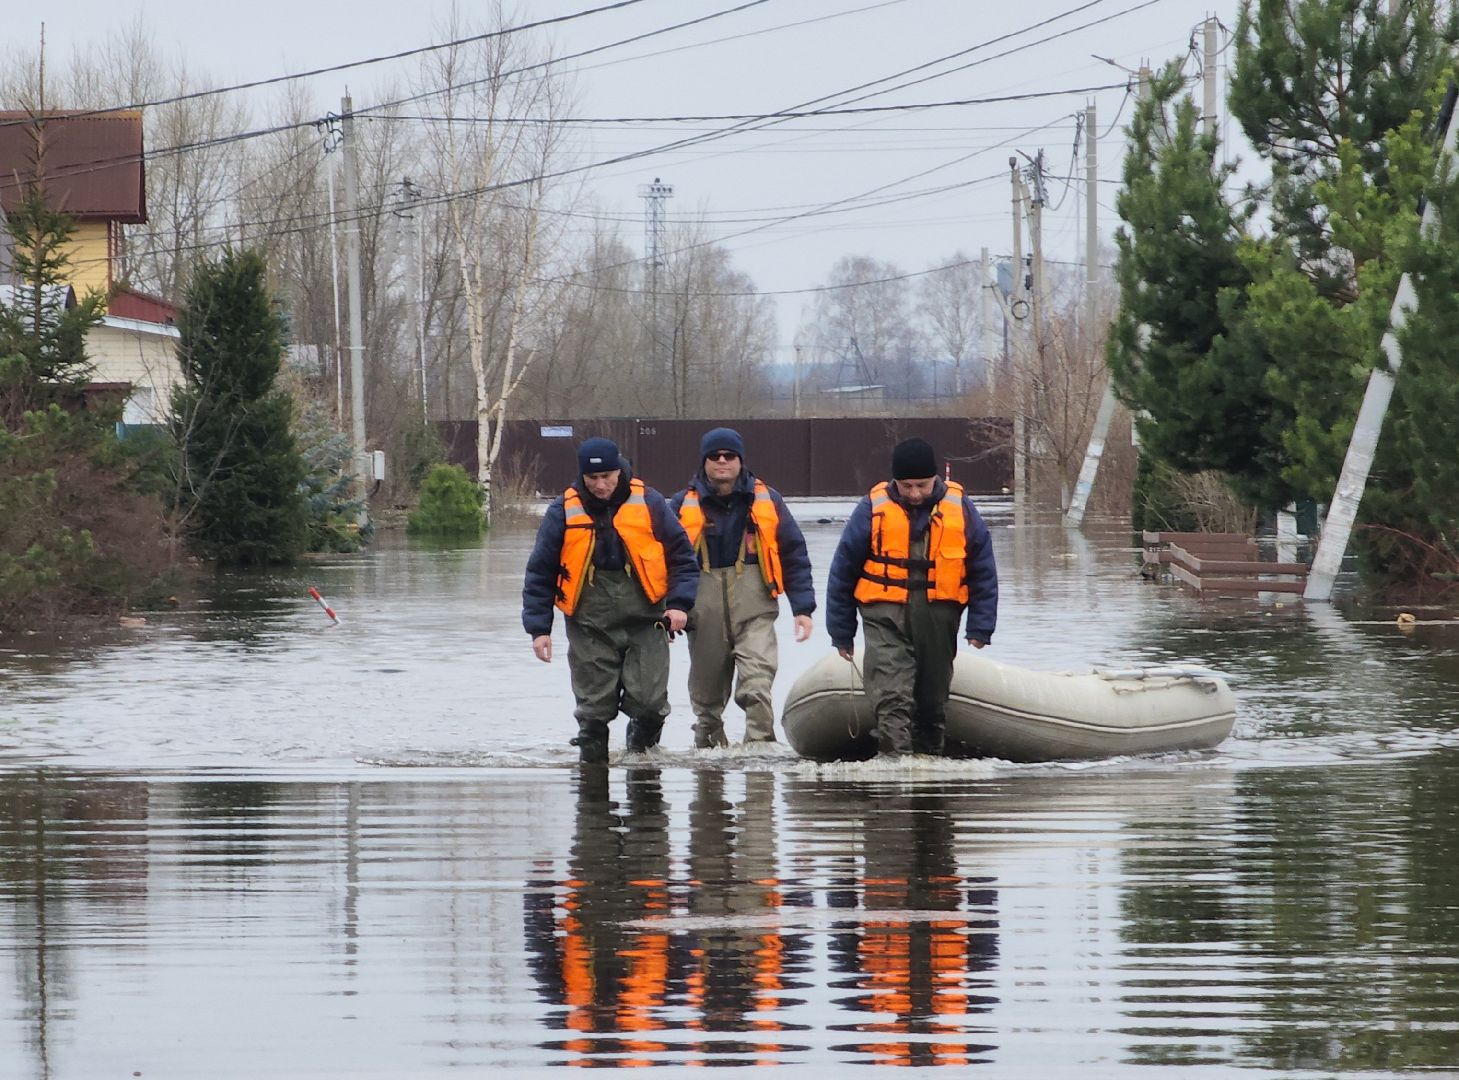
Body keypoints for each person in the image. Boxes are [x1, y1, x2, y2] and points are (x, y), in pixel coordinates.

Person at [522, 437, 698, 764]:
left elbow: (684, 559)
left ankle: (641, 762)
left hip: (647, 619)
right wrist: (539, 629)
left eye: (608, 477)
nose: (601, 486)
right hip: (589, 623)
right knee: (593, 710)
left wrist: (679, 604)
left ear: (620, 471)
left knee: (649, 704)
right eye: (593, 479)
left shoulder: (651, 502)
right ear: (582, 477)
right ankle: (592, 784)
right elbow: (540, 573)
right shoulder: (562, 510)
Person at [825, 437, 998, 757]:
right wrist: (841, 631)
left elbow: (983, 570)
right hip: (884, 615)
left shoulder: (960, 508)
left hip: (939, 617)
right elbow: (842, 572)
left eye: (922, 485)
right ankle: (894, 762)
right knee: (892, 694)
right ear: (895, 481)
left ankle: (929, 765)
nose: (915, 493)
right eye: (907, 486)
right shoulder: (871, 509)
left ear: (936, 478)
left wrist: (981, 626)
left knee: (932, 700)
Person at [670, 427, 816, 747]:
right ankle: (708, 762)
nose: (722, 461)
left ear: (740, 460)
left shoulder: (768, 500)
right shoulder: (681, 504)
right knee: (706, 697)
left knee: (757, 683)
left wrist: (803, 608)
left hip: (755, 606)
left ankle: (760, 751)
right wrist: (667, 606)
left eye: (729, 455)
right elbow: (661, 561)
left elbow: (794, 554)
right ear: (704, 462)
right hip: (702, 610)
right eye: (714, 456)